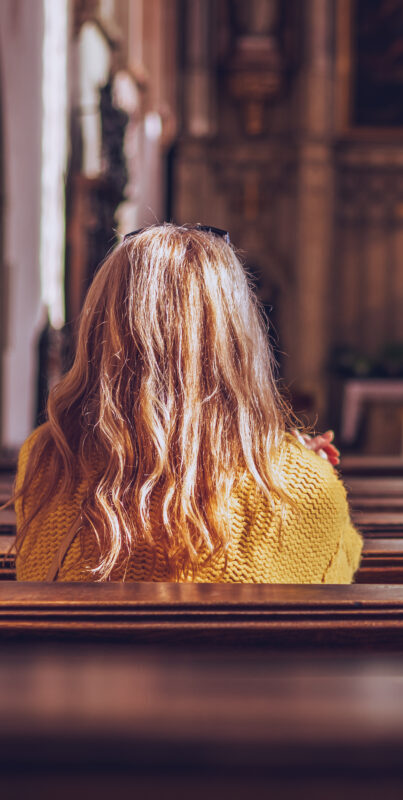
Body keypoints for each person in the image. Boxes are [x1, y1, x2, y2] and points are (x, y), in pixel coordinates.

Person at [11, 224, 362, 583]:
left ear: (102, 332)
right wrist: (304, 468)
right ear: (238, 341)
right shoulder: (306, 486)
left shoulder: (48, 459)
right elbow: (332, 576)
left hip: (67, 643)